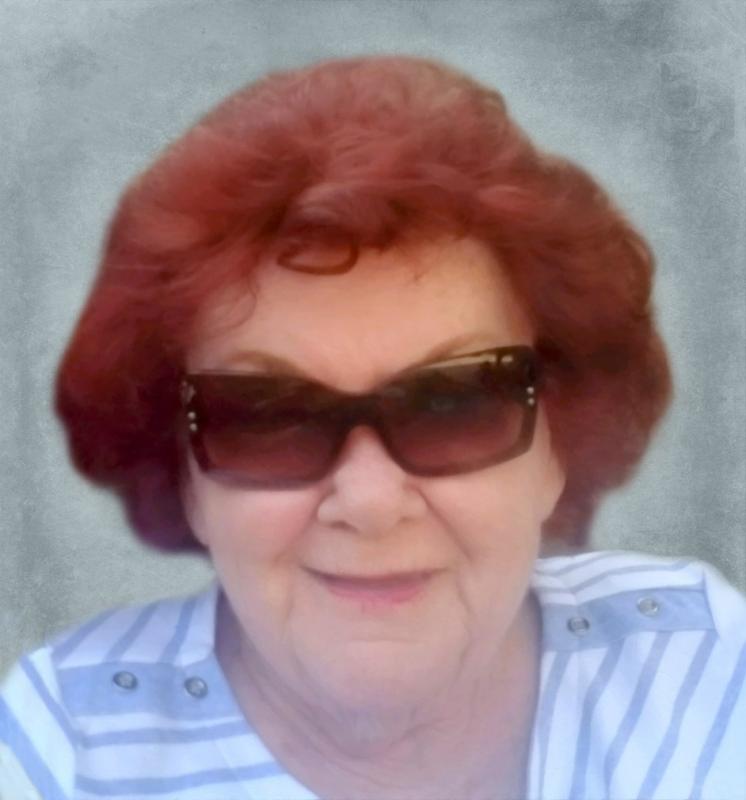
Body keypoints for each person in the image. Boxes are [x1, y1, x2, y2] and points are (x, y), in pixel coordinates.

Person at [1, 54, 744, 800]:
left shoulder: (705, 665)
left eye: (453, 404)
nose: (370, 502)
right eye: (269, 416)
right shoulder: (60, 749)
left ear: (559, 446)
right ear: (184, 479)